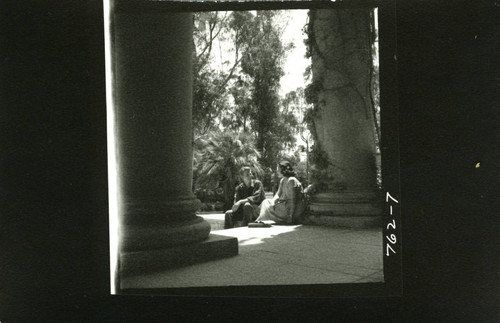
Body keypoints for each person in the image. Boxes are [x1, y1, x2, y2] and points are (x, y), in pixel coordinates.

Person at [253, 160, 305, 225]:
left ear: (283, 169)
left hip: (291, 208)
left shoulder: (291, 180)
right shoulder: (283, 180)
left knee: (265, 206)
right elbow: (278, 194)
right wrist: (273, 202)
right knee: (266, 202)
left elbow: (293, 200)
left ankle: (260, 220)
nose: (277, 171)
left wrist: (290, 216)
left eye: (278, 169)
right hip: (284, 205)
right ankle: (261, 219)